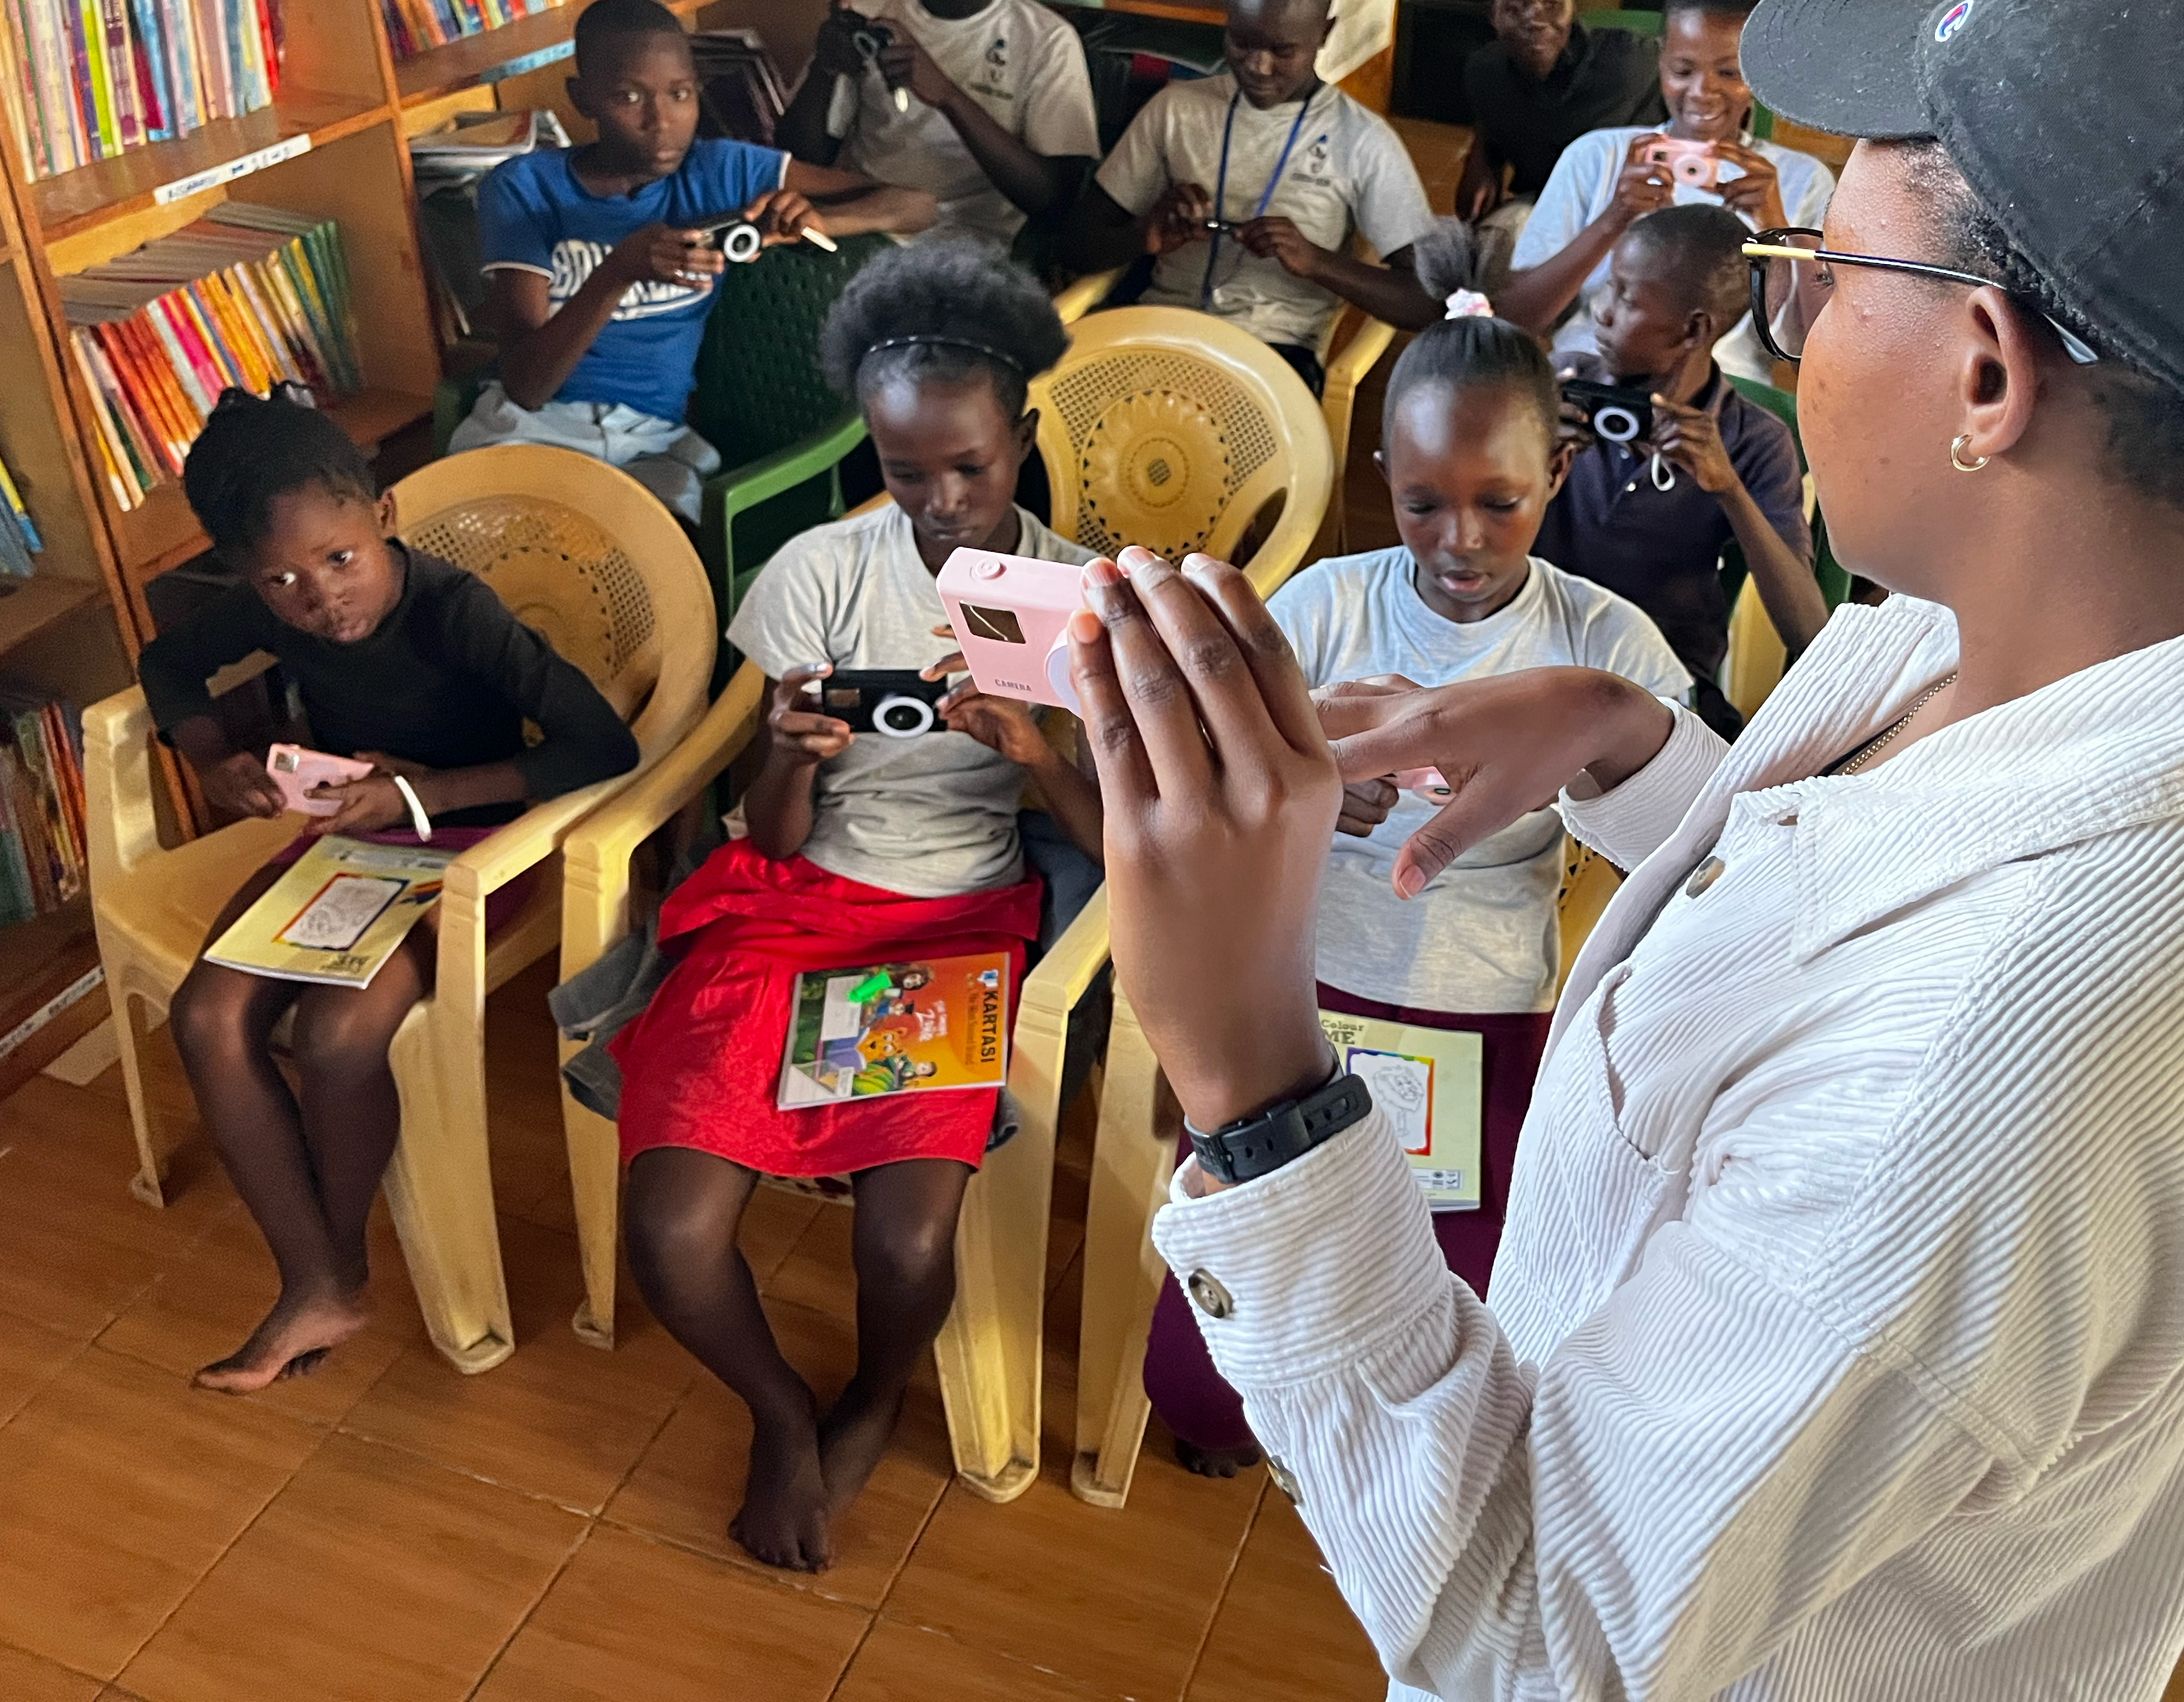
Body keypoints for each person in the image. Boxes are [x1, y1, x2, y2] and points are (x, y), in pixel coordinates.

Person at [1052, 0, 2184, 1699]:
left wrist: (1248, 1073)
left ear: (1990, 371)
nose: (1779, 335)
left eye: (1818, 276)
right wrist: (1629, 750)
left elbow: (1541, 1637)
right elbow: (1834, 903)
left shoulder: (1998, 1071)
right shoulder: (2087, 628)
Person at [1143, 229, 1689, 1477]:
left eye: (1499, 502)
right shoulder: (1325, 609)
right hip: (1302, 1000)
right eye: (1423, 501)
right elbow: (1218, 783)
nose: (1460, 540)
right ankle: (1253, 1425)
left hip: (1485, 1009)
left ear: (1556, 473)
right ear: (1383, 472)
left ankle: (1378, 1467)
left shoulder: (1602, 648)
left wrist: (1567, 776)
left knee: (1467, 1324)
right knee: (1201, 1374)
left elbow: (1693, 820)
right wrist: (1296, 803)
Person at [608, 239, 1101, 1574]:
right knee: (669, 1222)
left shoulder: (1056, 595)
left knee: (908, 1237)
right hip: (794, 895)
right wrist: (783, 752)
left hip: (959, 916)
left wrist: (1038, 753)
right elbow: (766, 835)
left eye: (971, 470)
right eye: (905, 473)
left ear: (1022, 439)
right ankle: (779, 1410)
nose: (941, 504)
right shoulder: (822, 570)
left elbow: (1116, 838)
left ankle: (876, 1394)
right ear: (869, 454)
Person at [144, 391, 638, 1395]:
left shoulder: (456, 612)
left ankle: (328, 1274)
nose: (320, 598)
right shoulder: (273, 601)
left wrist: (424, 791)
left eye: (338, 560)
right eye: (280, 582)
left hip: (473, 840)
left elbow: (601, 744)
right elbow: (169, 662)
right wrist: (208, 757)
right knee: (208, 1014)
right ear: (247, 577)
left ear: (385, 515)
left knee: (335, 1036)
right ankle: (321, 1279)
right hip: (350, 835)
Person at [459, 0, 936, 525]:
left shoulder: (719, 170)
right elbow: (527, 385)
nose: (661, 121)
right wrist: (617, 272)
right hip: (531, 432)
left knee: (659, 567)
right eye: (629, 97)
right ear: (583, 98)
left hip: (651, 444)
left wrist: (824, 222)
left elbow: (916, 205)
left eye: (680, 95)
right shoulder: (525, 190)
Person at [1069, 0, 1441, 391]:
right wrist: (1143, 235)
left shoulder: (1361, 141)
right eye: (1241, 42)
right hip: (1163, 333)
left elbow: (1430, 300)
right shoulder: (1177, 110)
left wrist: (1317, 262)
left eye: (1283, 51)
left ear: (1324, 34)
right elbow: (1073, 244)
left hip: (1272, 355)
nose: (1258, 66)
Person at [1535, 204, 1825, 734]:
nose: (1600, 311)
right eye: (1607, 288)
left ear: (1693, 330)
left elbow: (1806, 631)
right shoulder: (1559, 389)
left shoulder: (1753, 440)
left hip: (1656, 688)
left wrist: (1728, 490)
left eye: (1626, 296)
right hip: (1530, 653)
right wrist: (1528, 455)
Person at [1500, 0, 1834, 383]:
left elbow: (1820, 351)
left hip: (1721, 394)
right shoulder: (1598, 155)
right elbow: (1515, 318)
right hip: (1589, 374)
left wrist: (1777, 228)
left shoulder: (1800, 180)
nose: (1701, 91)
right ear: (1660, 62)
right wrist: (1613, 219)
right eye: (1682, 70)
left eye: (1728, 73)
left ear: (1758, 74)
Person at [778, 0, 1100, 247]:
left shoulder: (1045, 40)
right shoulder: (868, 9)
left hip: (970, 242)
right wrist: (826, 71)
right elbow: (800, 159)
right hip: (859, 224)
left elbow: (1054, 201)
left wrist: (947, 95)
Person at [1455, 0, 1664, 245]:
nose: (1536, 20)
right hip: (1541, 207)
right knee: (1493, 253)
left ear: (1572, 4)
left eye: (1553, 4)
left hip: (1635, 211)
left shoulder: (1631, 60)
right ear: (1493, 15)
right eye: (1516, 8)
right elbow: (1491, 128)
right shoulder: (1485, 73)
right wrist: (1482, 156)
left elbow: (1697, 89)